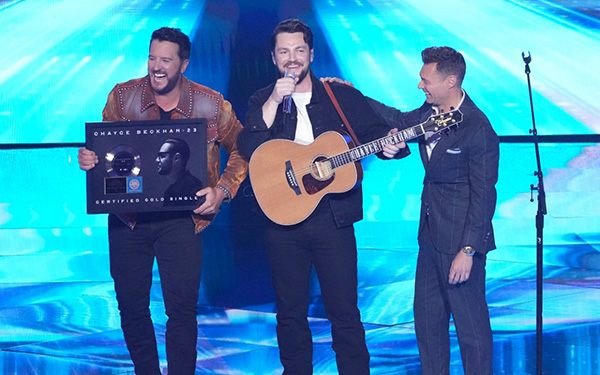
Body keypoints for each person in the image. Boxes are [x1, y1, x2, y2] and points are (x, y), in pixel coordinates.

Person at [237, 19, 409, 375]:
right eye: (284, 51)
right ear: (273, 57)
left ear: (311, 54)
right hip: (283, 222)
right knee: (289, 312)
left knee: (344, 311)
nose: (292, 58)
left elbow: (377, 131)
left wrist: (390, 147)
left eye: (299, 50)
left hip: (334, 219)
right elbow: (249, 145)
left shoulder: (340, 95)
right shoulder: (261, 99)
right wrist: (274, 99)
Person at [77, 27, 247, 375]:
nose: (156, 66)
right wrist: (90, 161)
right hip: (129, 220)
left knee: (181, 310)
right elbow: (105, 152)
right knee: (131, 307)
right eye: (152, 57)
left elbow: (245, 149)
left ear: (183, 64)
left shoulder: (211, 104)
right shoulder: (122, 98)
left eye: (165, 60)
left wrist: (223, 190)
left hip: (182, 221)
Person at [373, 46, 499, 375]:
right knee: (427, 322)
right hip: (429, 236)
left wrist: (468, 250)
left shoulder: (478, 127)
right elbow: (397, 121)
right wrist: (348, 93)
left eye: (425, 80)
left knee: (471, 329)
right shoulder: (429, 115)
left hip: (460, 241)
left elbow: (484, 196)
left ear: (451, 81)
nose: (420, 86)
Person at [156, 138, 204, 206]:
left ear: (176, 158)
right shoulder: (171, 191)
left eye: (162, 156)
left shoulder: (193, 189)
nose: (157, 160)